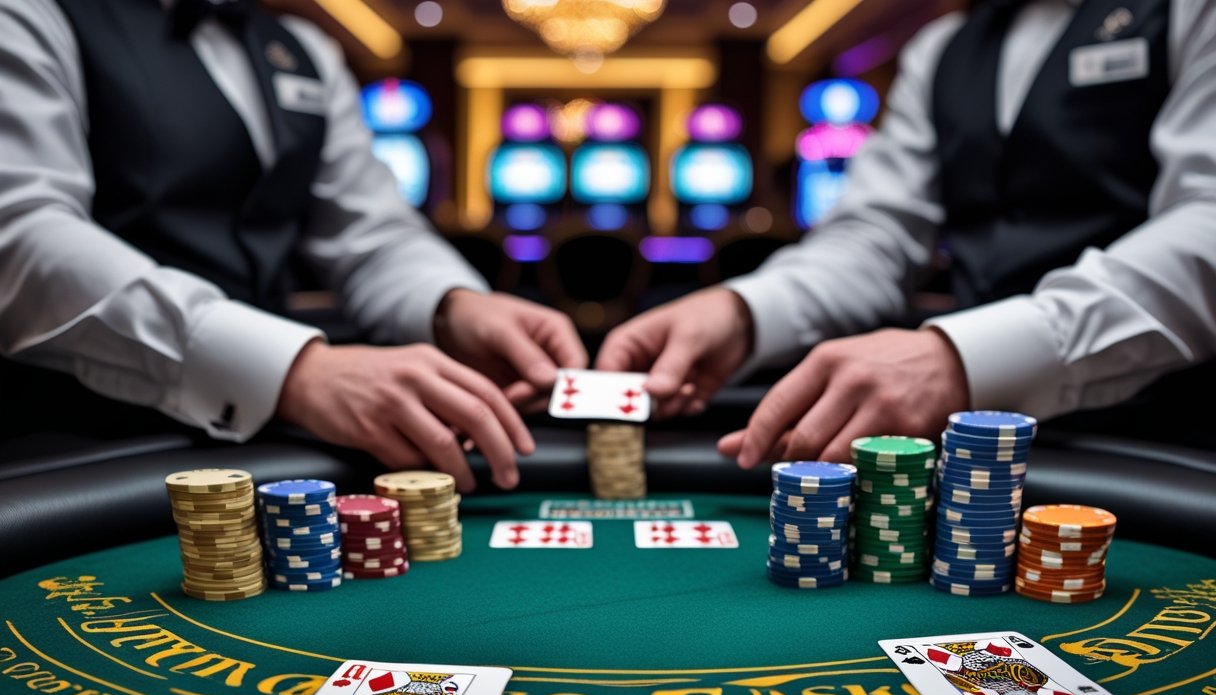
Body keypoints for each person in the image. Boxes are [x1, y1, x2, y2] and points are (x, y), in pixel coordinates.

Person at [0, 0, 587, 492]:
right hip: (74, 449)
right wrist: (294, 371)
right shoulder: (29, 13)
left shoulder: (305, 48)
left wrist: (453, 305)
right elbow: (21, 236)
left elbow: (372, 235)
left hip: (268, 451)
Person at [598, 0, 1216, 465]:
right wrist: (745, 309)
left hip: (1166, 437)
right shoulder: (942, 46)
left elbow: (1206, 221)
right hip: (967, 442)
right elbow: (877, 233)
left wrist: (961, 358)